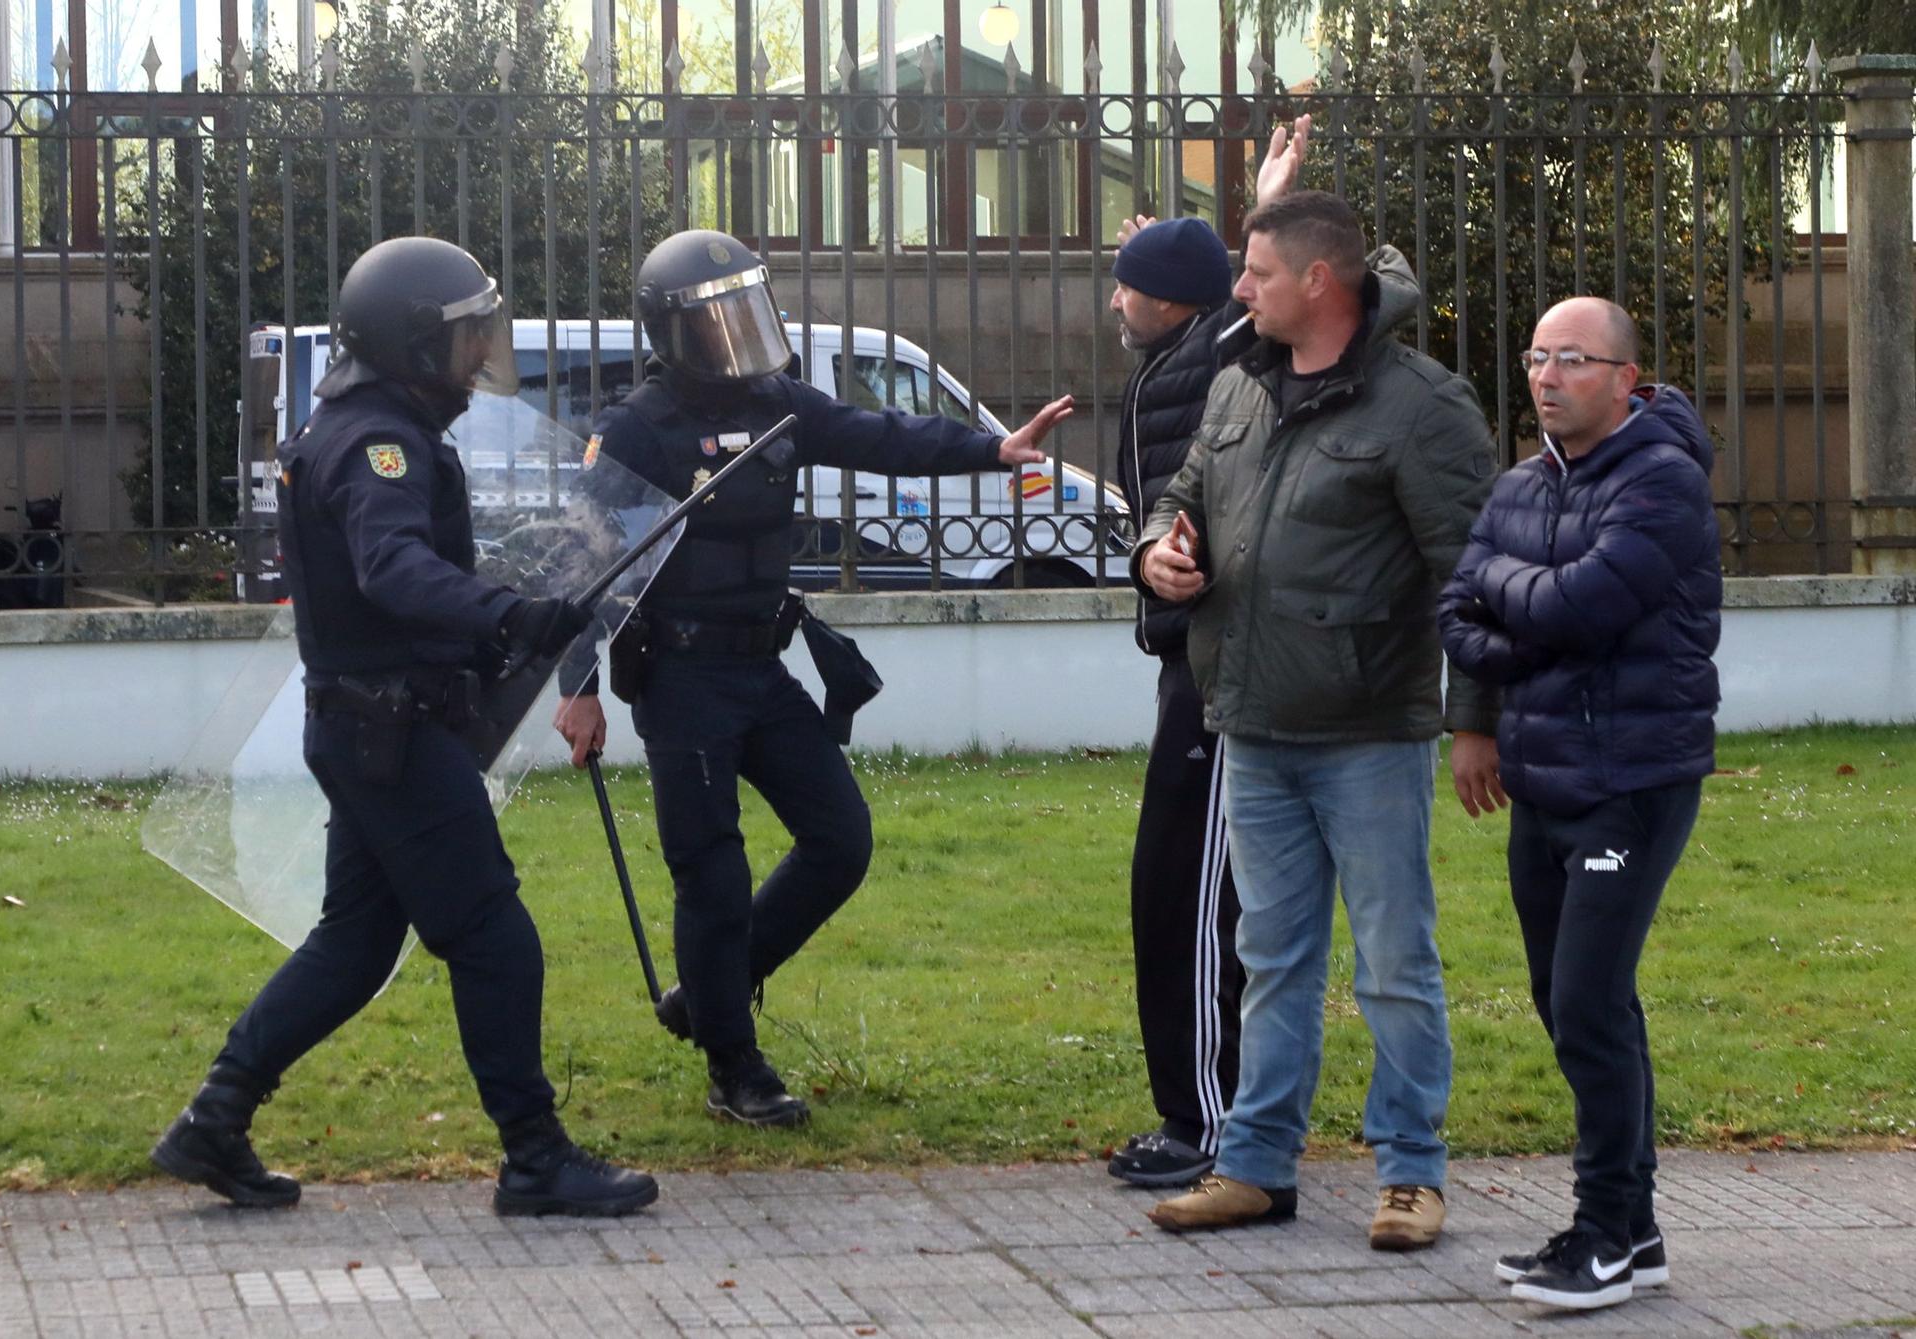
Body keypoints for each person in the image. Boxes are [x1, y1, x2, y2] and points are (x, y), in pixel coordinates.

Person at [151, 236, 658, 1219]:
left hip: (367, 728)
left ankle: (215, 1118)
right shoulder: (378, 444)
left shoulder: (363, 425)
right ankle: (535, 1157)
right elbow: (392, 571)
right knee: (493, 936)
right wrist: (507, 613)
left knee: (352, 943)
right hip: (394, 735)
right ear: (416, 346)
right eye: (466, 338)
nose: (479, 355)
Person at [552, 229, 1073, 1129]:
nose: (736, 336)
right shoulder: (636, 427)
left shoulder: (780, 401)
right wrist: (579, 686)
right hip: (681, 676)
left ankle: (710, 991)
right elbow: (580, 561)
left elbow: (882, 434)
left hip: (763, 666)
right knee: (710, 875)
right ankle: (732, 1064)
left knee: (841, 838)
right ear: (672, 332)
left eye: (743, 311)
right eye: (714, 321)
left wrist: (989, 451)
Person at [1134, 189, 1504, 1251]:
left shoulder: (1421, 406)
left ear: (1316, 282)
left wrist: (1472, 717)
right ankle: (1253, 1165)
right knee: (1270, 955)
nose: (1235, 290)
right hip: (1249, 722)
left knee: (1393, 960)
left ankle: (1409, 1173)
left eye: (1252, 273)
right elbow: (1180, 495)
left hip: (1368, 736)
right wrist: (1153, 551)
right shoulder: (1237, 386)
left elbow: (1470, 577)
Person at [1439, 297, 1720, 1311]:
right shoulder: (1519, 484)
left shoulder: (1661, 481)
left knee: (1587, 1003)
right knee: (1562, 998)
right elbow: (1454, 604)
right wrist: (1530, 610)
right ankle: (1630, 1230)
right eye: (1534, 357)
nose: (1546, 376)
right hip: (1542, 783)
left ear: (1624, 379)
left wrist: (1514, 604)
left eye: (1570, 359)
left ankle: (1601, 1231)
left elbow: (1582, 607)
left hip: (1630, 782)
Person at [1102, 118, 1312, 1189]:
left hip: (1223, 668)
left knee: (1192, 896)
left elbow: (1253, 304)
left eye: (1128, 282)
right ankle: (1197, 1110)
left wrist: (1265, 205)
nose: (1113, 299)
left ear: (1178, 301)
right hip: (1183, 655)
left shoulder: (1223, 348)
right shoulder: (1170, 359)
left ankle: (1211, 1126)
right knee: (1173, 890)